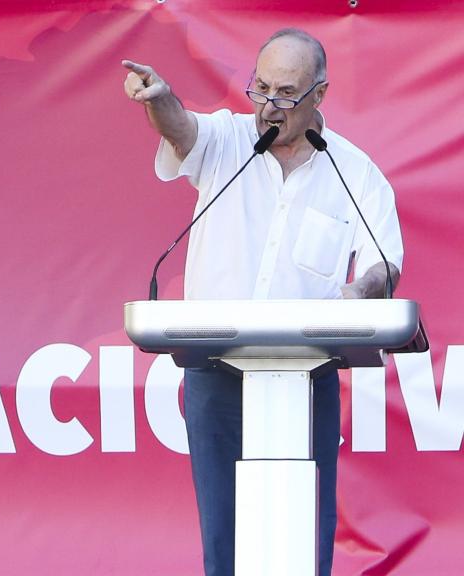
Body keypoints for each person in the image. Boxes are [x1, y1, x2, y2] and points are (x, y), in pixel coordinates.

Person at [122, 29, 404, 576]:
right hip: (215, 374)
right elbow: (183, 132)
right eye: (261, 89)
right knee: (225, 538)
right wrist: (160, 102)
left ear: (318, 96)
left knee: (303, 535)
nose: (268, 107)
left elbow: (383, 262)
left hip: (307, 378)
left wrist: (363, 289)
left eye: (285, 94)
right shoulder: (228, 139)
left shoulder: (356, 172)